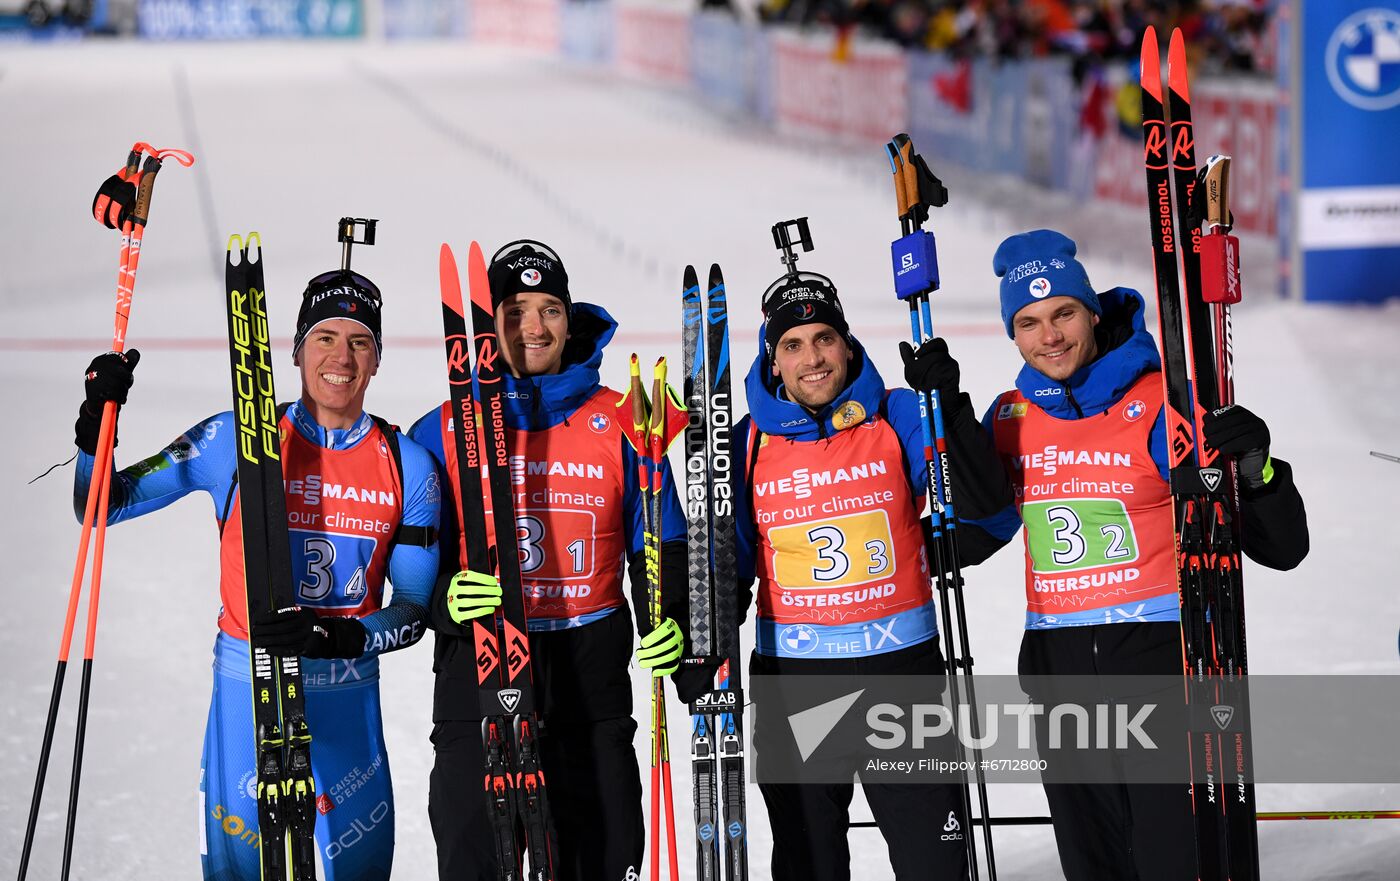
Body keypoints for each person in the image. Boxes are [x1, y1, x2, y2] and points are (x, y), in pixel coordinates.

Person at [916, 229, 1309, 881]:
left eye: (1064, 313)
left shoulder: (1165, 403)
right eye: (1030, 322)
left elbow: (1280, 546)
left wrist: (1259, 469)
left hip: (1159, 663)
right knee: (1093, 863)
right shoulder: (1012, 415)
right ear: (1013, 333)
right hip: (1056, 670)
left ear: (1092, 312)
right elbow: (976, 530)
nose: (1052, 336)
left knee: (1170, 858)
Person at [73, 260, 441, 881]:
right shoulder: (233, 440)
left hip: (346, 691)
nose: (342, 358)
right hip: (248, 688)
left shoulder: (409, 466)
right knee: (240, 870)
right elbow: (98, 505)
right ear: (297, 351)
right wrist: (95, 432)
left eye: (360, 342)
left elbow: (412, 609)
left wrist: (341, 636)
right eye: (325, 337)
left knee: (357, 867)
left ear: (377, 360)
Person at [408, 240, 700, 881]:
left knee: (604, 854)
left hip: (588, 677)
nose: (534, 327)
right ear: (486, 326)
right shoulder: (437, 432)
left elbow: (663, 540)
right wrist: (442, 602)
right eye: (513, 309)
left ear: (571, 320)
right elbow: (405, 567)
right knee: (475, 861)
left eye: (550, 309)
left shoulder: (621, 423)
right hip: (478, 678)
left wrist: (669, 617)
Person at [731, 266, 1012, 881]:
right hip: (795, 681)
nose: (813, 358)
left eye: (825, 338)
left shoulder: (897, 414)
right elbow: (731, 570)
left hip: (901, 674)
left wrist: (951, 411)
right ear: (772, 360)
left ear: (848, 344)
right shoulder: (747, 443)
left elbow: (989, 514)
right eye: (793, 344)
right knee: (809, 860)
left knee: (932, 859)